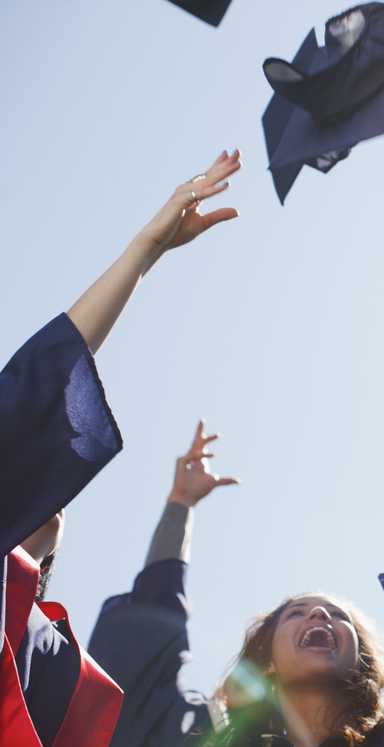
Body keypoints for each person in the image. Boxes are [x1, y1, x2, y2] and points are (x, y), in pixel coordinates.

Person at [91, 387, 384, 747]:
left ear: (360, 662)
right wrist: (179, 507)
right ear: (267, 660)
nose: (318, 614)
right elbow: (145, 650)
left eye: (337, 616)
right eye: (297, 612)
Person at [1, 150, 241, 747]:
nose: (52, 504)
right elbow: (34, 386)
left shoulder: (46, 660)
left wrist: (147, 252)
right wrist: (143, 252)